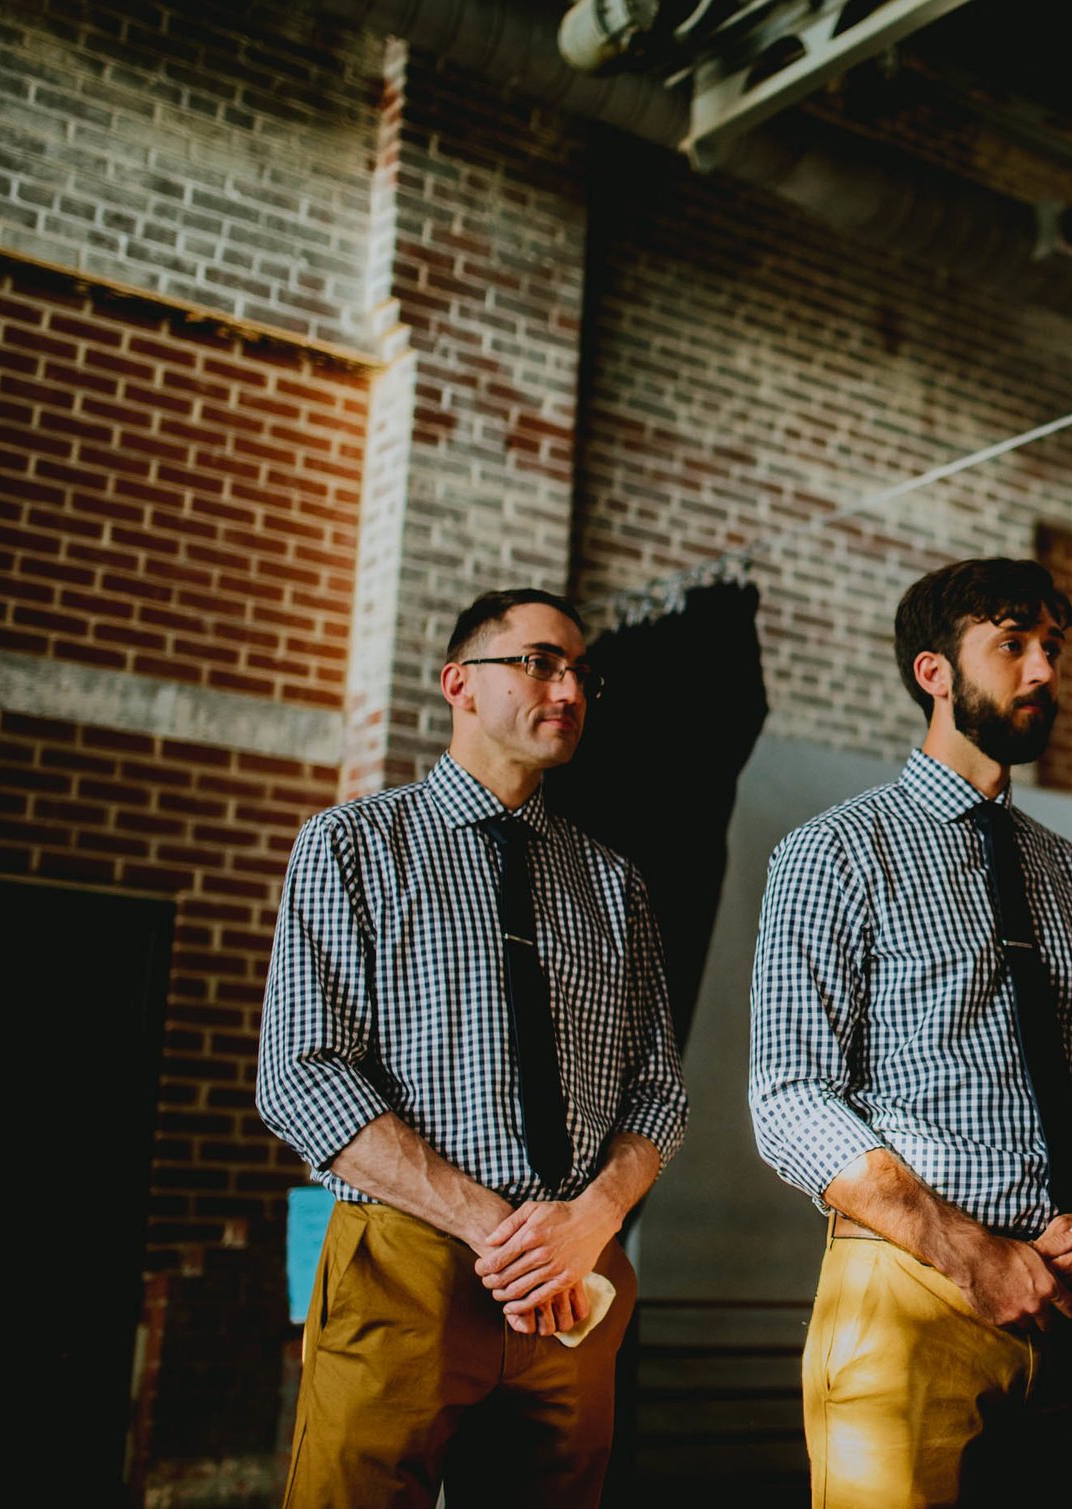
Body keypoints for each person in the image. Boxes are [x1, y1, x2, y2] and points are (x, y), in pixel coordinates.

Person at [256, 587, 688, 1507]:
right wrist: (490, 1225)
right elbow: (301, 1073)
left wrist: (591, 1219)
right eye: (540, 661)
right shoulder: (354, 845)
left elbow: (659, 1091)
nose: (569, 688)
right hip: (405, 1262)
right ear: (460, 682)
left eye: (581, 673)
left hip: (577, 1277)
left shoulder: (614, 883)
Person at [751, 557, 1072, 1509]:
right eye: (1013, 645)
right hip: (910, 1295)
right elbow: (789, 1097)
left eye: (1052, 646)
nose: (1045, 668)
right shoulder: (834, 851)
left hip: (1071, 1308)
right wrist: (970, 1250)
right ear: (934, 671)